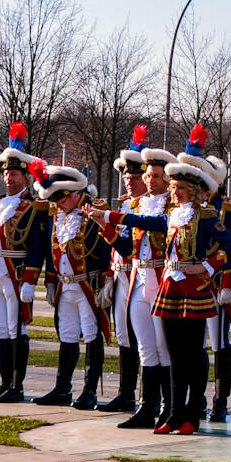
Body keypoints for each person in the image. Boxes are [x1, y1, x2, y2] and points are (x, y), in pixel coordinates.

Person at [103, 125, 231, 434]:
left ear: (192, 189)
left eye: (178, 186)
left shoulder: (204, 215)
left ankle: (192, 412)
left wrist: (206, 267)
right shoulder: (172, 215)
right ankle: (173, 413)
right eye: (172, 186)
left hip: (194, 288)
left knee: (192, 352)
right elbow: (143, 221)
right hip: (170, 286)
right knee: (173, 353)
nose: (172, 191)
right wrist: (109, 218)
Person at [102, 135, 176, 429]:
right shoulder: (136, 205)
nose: (149, 179)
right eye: (148, 174)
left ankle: (169, 406)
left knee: (163, 347)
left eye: (155, 175)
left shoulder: (171, 205)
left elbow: (159, 225)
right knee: (144, 346)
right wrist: (103, 226)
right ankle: (147, 407)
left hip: (160, 277)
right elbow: (126, 249)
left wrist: (116, 216)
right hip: (138, 275)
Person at [35, 163, 113, 408]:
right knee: (67, 336)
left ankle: (89, 391)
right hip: (64, 286)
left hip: (87, 285)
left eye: (62, 199)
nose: (58, 204)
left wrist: (105, 282)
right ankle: (62, 388)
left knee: (92, 335)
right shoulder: (57, 215)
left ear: (75, 194)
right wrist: (50, 280)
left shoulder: (95, 212)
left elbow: (105, 250)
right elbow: (52, 250)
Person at [0, 155, 48, 404]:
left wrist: (30, 279)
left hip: (14, 273)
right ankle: (4, 382)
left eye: (15, 174)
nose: (9, 178)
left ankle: (17, 385)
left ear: (26, 177)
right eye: (7, 174)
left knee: (15, 329)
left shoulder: (33, 206)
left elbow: (37, 246)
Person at [98, 125, 155, 414]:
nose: (130, 183)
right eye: (127, 178)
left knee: (143, 338)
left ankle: (148, 396)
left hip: (140, 276)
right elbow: (116, 248)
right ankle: (126, 392)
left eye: (135, 177)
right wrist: (109, 276)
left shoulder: (151, 208)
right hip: (121, 276)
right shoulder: (124, 204)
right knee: (123, 335)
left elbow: (130, 246)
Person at [206, 154, 231, 423]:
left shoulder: (226, 207)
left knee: (220, 343)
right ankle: (195, 398)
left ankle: (221, 399)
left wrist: (230, 285)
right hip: (191, 286)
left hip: (217, 284)